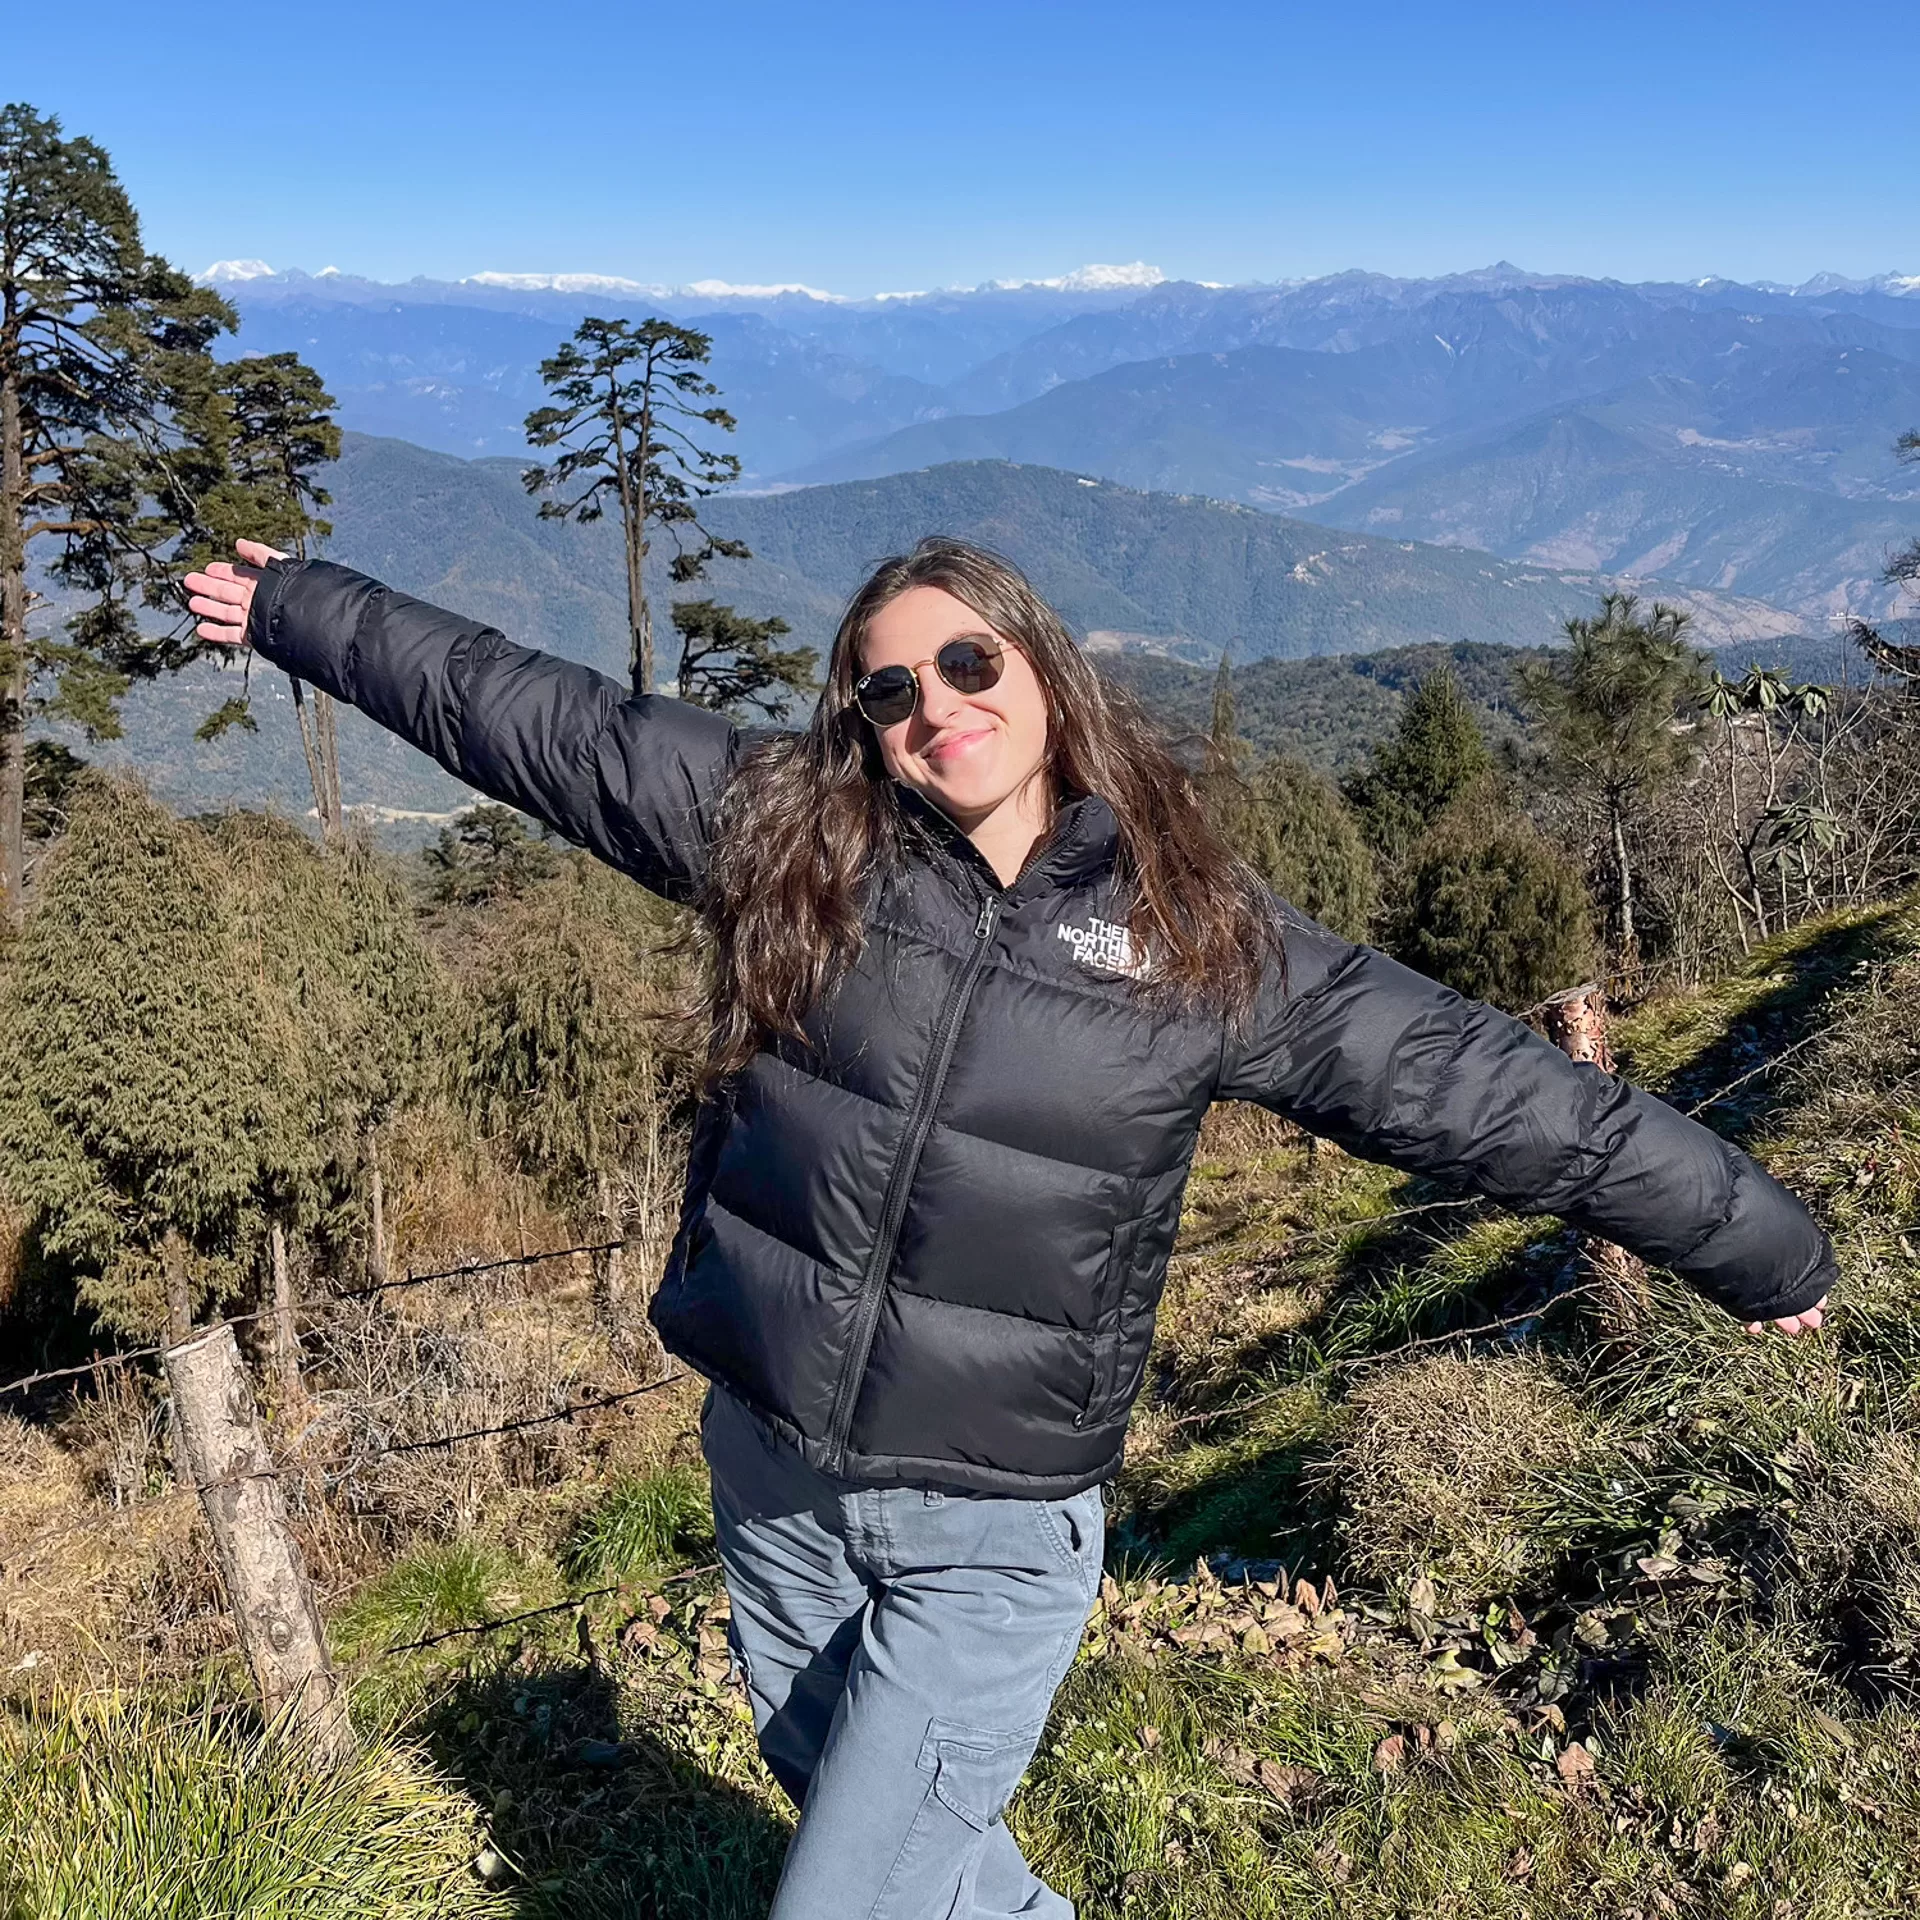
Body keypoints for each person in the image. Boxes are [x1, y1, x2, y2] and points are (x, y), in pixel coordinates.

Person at [185, 536, 1832, 1919]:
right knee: (905, 1841)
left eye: (967, 664)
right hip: (775, 1476)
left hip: (989, 1525)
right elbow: (529, 719)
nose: (934, 710)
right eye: (887, 689)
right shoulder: (789, 840)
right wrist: (296, 606)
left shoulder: (1200, 941)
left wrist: (1754, 1242)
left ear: (1042, 672)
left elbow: (1490, 1089)